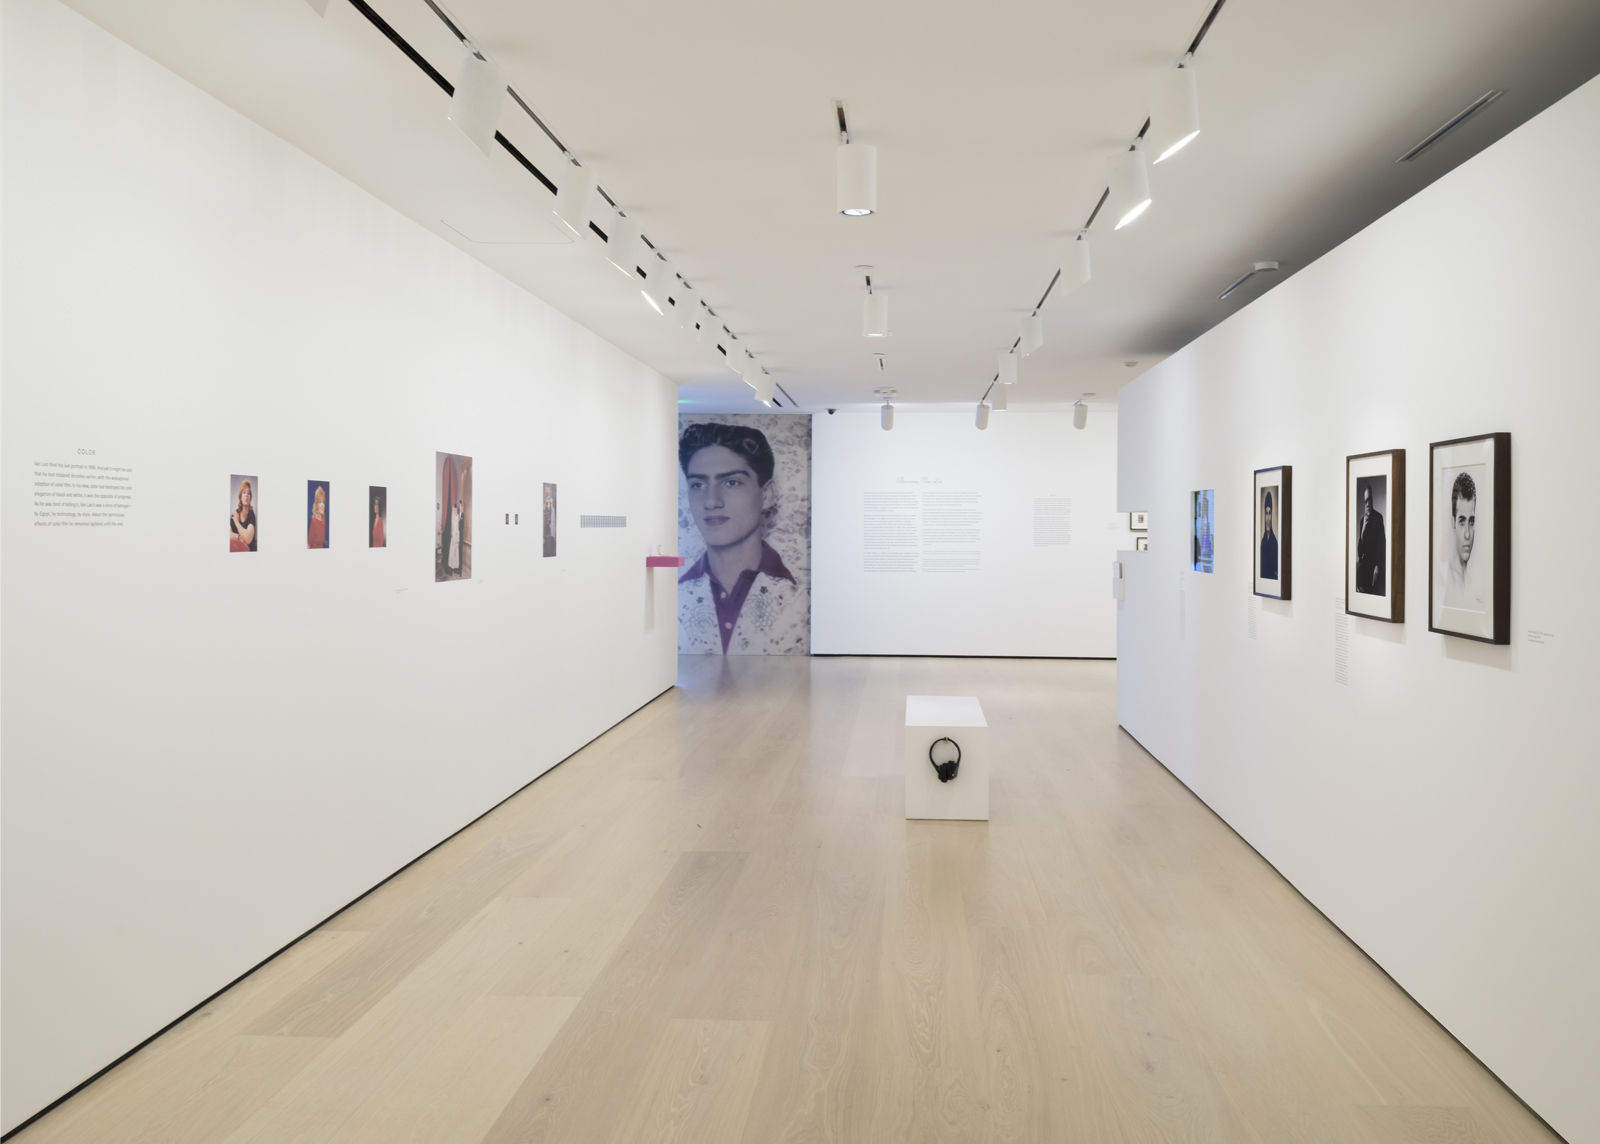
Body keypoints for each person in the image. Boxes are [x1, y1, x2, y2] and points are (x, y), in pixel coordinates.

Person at [677, 423, 807, 655]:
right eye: (698, 484)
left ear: (766, 495)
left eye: (731, 482)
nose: (710, 501)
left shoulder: (803, 591)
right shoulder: (675, 591)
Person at [1442, 470, 1483, 611]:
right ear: (1453, 523)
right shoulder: (1444, 579)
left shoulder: (1469, 581)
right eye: (1461, 521)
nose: (1467, 534)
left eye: (1471, 522)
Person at [1355, 482, 1385, 595]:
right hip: (1365, 567)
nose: (1368, 504)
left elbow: (1383, 546)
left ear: (1372, 499)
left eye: (1369, 500)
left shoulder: (1378, 518)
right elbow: (1359, 553)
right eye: (1365, 501)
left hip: (1376, 565)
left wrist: (1378, 567)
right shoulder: (1362, 521)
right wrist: (1363, 530)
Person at [230, 479, 257, 552]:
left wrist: (237, 522)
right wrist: (239, 537)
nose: (246, 495)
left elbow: (248, 539)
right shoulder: (235, 513)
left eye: (248, 493)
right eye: (244, 492)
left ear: (250, 498)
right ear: (240, 497)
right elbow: (227, 533)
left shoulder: (251, 514)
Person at [1259, 488, 1278, 581]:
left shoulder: (1275, 543)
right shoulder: (1262, 542)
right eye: (1266, 513)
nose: (1268, 519)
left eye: (1270, 513)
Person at [307, 484, 328, 549]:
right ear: (316, 505)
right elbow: (308, 545)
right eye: (320, 502)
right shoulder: (314, 521)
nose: (322, 505)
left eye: (323, 502)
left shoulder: (325, 522)